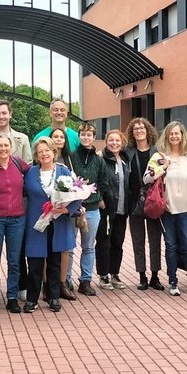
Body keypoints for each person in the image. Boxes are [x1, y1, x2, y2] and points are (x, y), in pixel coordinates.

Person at [143, 121, 187, 297]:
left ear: (182, 135)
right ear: (167, 136)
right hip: (167, 210)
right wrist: (163, 167)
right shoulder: (159, 156)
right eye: (171, 133)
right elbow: (146, 178)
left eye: (177, 133)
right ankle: (173, 281)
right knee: (170, 246)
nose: (174, 136)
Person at [23, 138, 81, 312]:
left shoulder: (64, 171)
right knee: (34, 263)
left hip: (58, 223)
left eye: (47, 150)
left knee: (55, 261)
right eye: (40, 151)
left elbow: (78, 194)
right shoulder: (31, 173)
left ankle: (54, 297)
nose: (44, 154)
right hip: (37, 223)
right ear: (36, 155)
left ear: (54, 152)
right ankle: (32, 299)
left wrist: (66, 210)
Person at [0, 135, 29, 315]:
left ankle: (11, 298)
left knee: (14, 260)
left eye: (6, 145)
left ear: (11, 147)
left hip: (17, 219)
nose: (3, 149)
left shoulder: (19, 164)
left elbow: (36, 173)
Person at [71, 123, 111, 296]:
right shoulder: (71, 157)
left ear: (94, 138)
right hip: (73, 208)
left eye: (89, 135)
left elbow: (104, 181)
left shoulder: (99, 160)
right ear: (79, 136)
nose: (86, 137)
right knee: (69, 245)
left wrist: (97, 196)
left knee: (88, 246)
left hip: (93, 209)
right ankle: (65, 280)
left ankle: (85, 281)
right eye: (83, 134)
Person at [125, 117, 164, 290]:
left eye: (142, 128)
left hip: (153, 200)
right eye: (135, 129)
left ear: (148, 130)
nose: (139, 131)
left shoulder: (157, 151)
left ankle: (155, 275)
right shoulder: (128, 151)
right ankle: (142, 275)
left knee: (155, 240)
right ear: (132, 133)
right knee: (137, 240)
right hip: (134, 201)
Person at [96, 128, 130, 289]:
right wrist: (100, 199)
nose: (114, 143)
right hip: (106, 208)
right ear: (106, 142)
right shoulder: (101, 159)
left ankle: (115, 273)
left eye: (117, 140)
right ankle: (103, 275)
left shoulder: (125, 160)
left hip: (122, 208)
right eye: (111, 140)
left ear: (122, 143)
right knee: (104, 242)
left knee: (118, 242)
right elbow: (95, 181)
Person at [49, 126, 79, 300]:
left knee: (65, 248)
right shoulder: (42, 156)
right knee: (47, 249)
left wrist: (70, 207)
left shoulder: (70, 159)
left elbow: (77, 185)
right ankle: (48, 285)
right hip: (48, 211)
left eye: (62, 137)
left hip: (66, 211)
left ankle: (63, 282)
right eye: (55, 136)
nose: (59, 139)